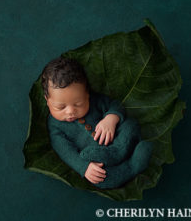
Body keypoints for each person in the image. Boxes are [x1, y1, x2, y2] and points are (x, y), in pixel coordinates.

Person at [42, 56, 154, 189]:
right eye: (60, 107)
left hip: (118, 140)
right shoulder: (55, 125)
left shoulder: (95, 101)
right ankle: (133, 166)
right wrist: (84, 167)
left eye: (79, 103)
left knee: (130, 124)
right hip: (99, 159)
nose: (70, 112)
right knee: (100, 178)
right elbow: (66, 152)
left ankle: (119, 152)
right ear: (47, 100)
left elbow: (115, 105)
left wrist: (111, 118)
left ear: (87, 94)